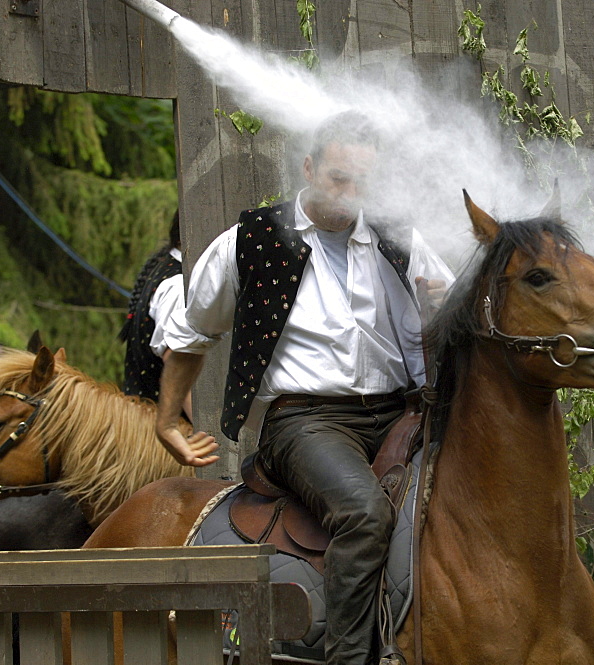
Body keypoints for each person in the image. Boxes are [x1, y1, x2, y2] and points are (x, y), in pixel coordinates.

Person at [156, 110, 453, 665]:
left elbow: (452, 312)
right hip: (305, 422)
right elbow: (192, 330)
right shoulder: (253, 239)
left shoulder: (398, 236)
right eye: (339, 178)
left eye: (362, 182)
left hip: (401, 413)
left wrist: (441, 308)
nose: (349, 194)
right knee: (364, 514)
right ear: (309, 167)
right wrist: (168, 418)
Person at [119, 210, 188, 418]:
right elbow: (179, 368)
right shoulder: (177, 286)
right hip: (167, 437)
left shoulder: (169, 270)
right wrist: (216, 440)